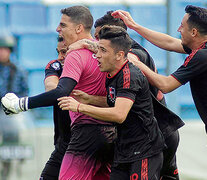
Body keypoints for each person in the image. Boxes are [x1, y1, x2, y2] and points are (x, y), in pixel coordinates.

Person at [1, 6, 116, 180]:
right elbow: (53, 89)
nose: (57, 28)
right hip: (107, 135)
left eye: (62, 24)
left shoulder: (77, 56)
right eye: (59, 52)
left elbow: (58, 92)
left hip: (83, 137)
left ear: (78, 28)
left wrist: (20, 104)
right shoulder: (108, 56)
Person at [66, 11, 184, 180]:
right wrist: (89, 99)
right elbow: (116, 100)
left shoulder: (132, 61)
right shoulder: (112, 70)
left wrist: (79, 107)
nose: (96, 42)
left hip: (156, 136)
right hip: (130, 143)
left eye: (100, 39)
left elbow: (119, 112)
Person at [112, 6, 207, 133]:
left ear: (194, 32)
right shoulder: (201, 48)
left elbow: (166, 85)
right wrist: (134, 26)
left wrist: (136, 63)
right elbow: (170, 43)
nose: (179, 30)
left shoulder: (201, 56)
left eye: (182, 26)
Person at [39, 37, 71, 180]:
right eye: (58, 52)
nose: (60, 57)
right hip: (63, 140)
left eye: (64, 52)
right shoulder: (55, 66)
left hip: (87, 141)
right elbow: (51, 89)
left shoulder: (92, 67)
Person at [0, 35, 28, 180]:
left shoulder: (18, 70)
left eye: (5, 49)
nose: (2, 53)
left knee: (13, 145)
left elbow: (25, 91)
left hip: (12, 113)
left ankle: (11, 172)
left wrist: (15, 104)